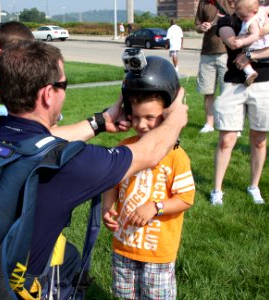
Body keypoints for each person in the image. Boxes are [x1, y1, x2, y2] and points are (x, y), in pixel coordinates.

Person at [0, 40, 188, 298]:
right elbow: (149, 153)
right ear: (49, 94)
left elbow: (45, 138)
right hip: (15, 287)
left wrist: (100, 122)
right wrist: (176, 120)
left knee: (69, 256)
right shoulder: (70, 164)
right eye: (64, 85)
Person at [102, 59, 195, 299]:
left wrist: (155, 207)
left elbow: (186, 198)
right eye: (136, 117)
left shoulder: (176, 156)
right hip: (124, 247)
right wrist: (107, 205)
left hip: (157, 253)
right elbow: (113, 179)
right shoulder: (126, 146)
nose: (142, 125)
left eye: (150, 118)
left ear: (168, 113)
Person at [209, 0, 269, 205]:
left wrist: (250, 54)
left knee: (259, 139)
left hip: (264, 83)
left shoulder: (267, 18)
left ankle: (254, 186)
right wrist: (261, 31)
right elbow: (233, 43)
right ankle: (217, 190)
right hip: (234, 84)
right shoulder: (226, 21)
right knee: (227, 139)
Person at [233, 0, 269, 91]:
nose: (241, 18)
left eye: (243, 16)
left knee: (240, 57)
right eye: (239, 15)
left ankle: (250, 72)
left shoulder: (251, 22)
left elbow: (254, 37)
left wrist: (242, 42)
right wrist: (268, 9)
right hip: (268, 47)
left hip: (254, 48)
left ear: (254, 11)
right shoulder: (261, 11)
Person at [195, 0, 234, 133]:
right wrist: (202, 27)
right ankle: (209, 124)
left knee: (228, 92)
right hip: (207, 52)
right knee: (208, 91)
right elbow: (197, 26)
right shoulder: (204, 2)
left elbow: (240, 16)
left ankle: (231, 125)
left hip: (227, 52)